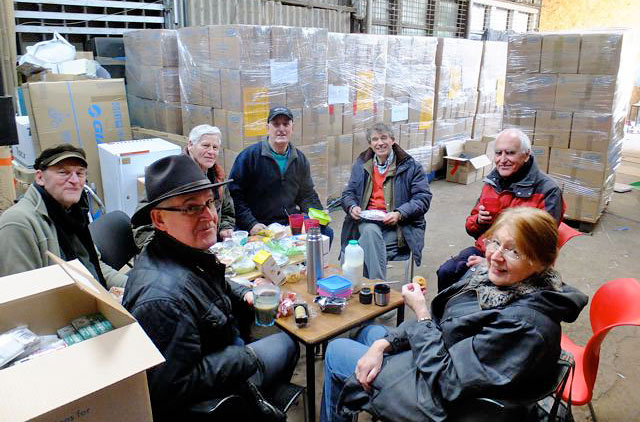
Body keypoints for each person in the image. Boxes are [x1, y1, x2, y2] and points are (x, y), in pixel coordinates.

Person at [321, 207, 588, 422]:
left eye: (514, 250)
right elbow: (446, 324)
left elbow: (447, 381)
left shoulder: (524, 325)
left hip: (445, 400)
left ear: (542, 262)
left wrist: (422, 313)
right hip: (445, 359)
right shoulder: (494, 280)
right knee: (373, 334)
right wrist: (383, 345)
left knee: (337, 349)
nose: (495, 256)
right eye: (495, 242)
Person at [123, 154, 298, 421]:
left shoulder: (179, 252)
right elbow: (171, 388)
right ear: (158, 219)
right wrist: (242, 357)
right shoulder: (162, 299)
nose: (209, 216)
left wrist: (247, 293)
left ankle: (261, 395)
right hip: (218, 388)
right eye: (191, 208)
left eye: (209, 203)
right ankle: (254, 402)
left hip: (224, 348)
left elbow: (211, 283)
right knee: (289, 343)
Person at [436, 128, 565, 292]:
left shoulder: (547, 191)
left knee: (467, 290)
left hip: (519, 263)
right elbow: (470, 227)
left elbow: (541, 249)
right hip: (487, 250)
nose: (502, 160)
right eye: (498, 153)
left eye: (510, 153)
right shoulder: (492, 183)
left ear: (526, 155)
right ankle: (442, 316)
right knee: (446, 272)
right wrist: (478, 221)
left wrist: (491, 262)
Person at [0, 144, 126, 288]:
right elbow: (23, 295)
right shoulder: (17, 223)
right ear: (40, 178)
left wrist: (134, 288)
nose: (74, 180)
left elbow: (93, 268)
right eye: (63, 172)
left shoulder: (73, 213)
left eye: (79, 173)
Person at [340, 122, 431, 280]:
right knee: (369, 232)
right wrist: (352, 206)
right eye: (375, 139)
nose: (380, 143)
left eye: (384, 138)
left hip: (399, 226)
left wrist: (400, 213)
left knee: (362, 246)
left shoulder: (411, 167)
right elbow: (349, 193)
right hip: (367, 221)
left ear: (393, 140)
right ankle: (378, 287)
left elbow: (423, 198)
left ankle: (366, 287)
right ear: (370, 144)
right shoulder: (362, 165)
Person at [229, 106, 333, 242]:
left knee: (326, 233)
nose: (281, 129)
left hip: (287, 223)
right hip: (259, 225)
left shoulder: (299, 159)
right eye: (276, 124)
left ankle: (312, 264)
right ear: (267, 128)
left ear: (292, 128)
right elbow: (235, 195)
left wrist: (319, 214)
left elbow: (306, 194)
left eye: (286, 124)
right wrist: (251, 223)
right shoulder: (249, 157)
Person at [185, 124, 235, 240]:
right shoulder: (172, 174)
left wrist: (224, 228)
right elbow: (144, 225)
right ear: (190, 145)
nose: (211, 152)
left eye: (215, 147)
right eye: (206, 146)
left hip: (212, 245)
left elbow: (227, 210)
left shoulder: (218, 177)